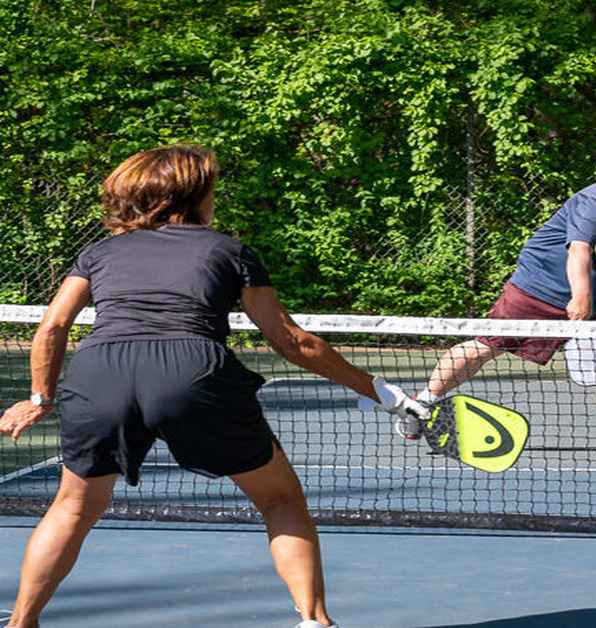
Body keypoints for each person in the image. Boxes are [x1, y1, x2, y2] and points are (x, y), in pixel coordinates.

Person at [0, 145, 390, 628]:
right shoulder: (229, 250)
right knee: (280, 499)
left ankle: (21, 624)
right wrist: (382, 392)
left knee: (73, 508)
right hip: (191, 371)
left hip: (99, 372)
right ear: (194, 194)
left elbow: (53, 327)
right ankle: (314, 621)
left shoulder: (99, 252)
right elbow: (292, 342)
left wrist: (41, 397)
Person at [381, 140, 596, 464]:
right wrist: (581, 299)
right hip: (541, 287)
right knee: (487, 345)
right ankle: (422, 402)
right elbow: (579, 250)